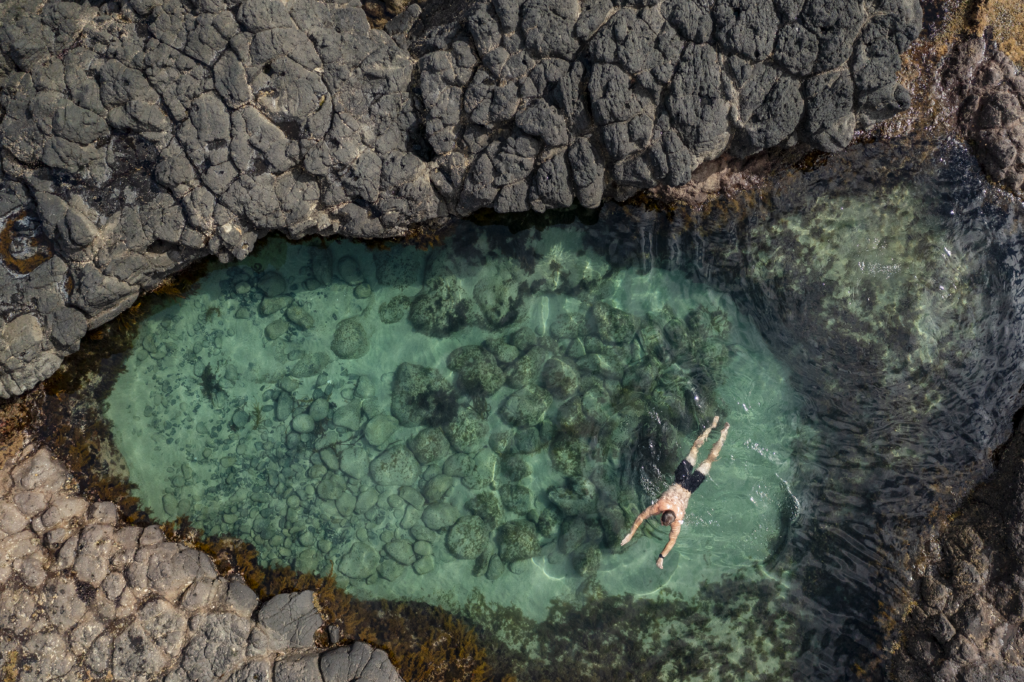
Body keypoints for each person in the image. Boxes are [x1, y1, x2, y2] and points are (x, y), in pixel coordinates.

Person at [620, 416, 730, 569]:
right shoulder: (663, 507)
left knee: (706, 457)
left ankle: (716, 429)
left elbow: (643, 519)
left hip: (688, 484)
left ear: (666, 517)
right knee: (699, 452)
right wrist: (661, 557)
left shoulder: (670, 514)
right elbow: (668, 539)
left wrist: (632, 535)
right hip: (682, 482)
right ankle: (718, 431)